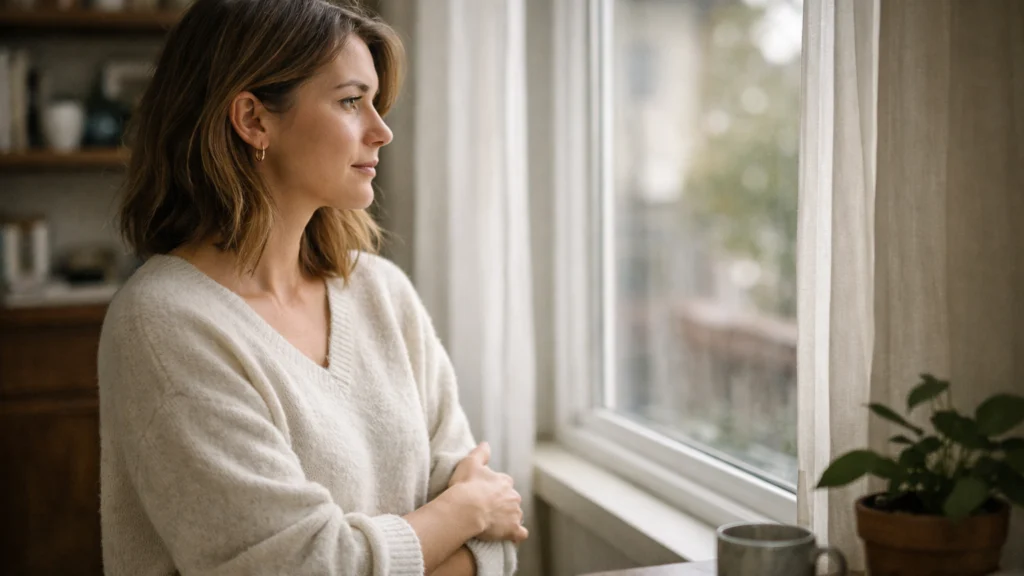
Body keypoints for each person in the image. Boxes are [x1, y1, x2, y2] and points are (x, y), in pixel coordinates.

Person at [97, 1, 527, 574]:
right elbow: (305, 565)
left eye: (376, 102)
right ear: (254, 120)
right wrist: (463, 512)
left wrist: (472, 513)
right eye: (352, 101)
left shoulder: (382, 292)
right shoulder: (163, 323)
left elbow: (498, 538)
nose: (382, 130)